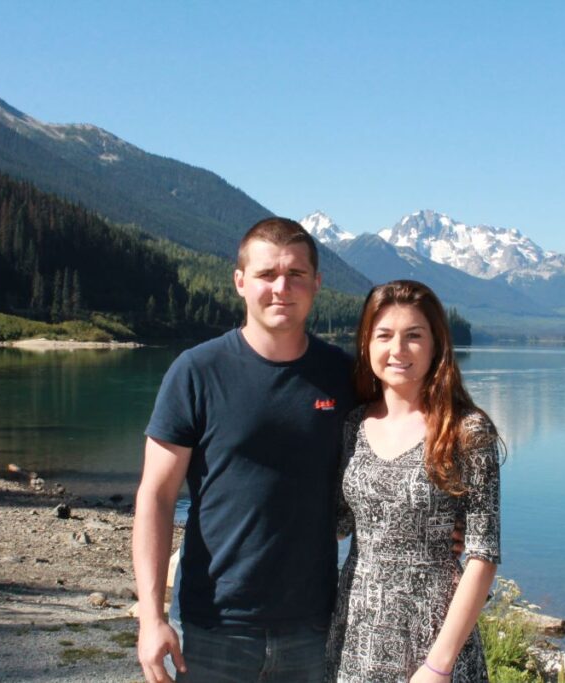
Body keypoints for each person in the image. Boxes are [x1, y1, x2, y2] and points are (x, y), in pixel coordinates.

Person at [132, 217, 356, 683]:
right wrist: (151, 618)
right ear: (240, 282)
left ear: (316, 282)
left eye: (296, 274)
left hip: (313, 622)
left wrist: (448, 524)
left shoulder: (344, 375)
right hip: (214, 623)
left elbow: (402, 448)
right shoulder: (196, 372)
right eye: (266, 274)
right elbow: (155, 496)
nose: (282, 287)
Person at [326, 280, 502, 683]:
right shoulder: (353, 425)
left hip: (434, 639)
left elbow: (483, 555)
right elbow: (336, 526)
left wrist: (439, 665)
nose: (398, 350)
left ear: (437, 344)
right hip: (355, 634)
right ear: (367, 344)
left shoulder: (467, 432)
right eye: (384, 335)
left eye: (414, 336)